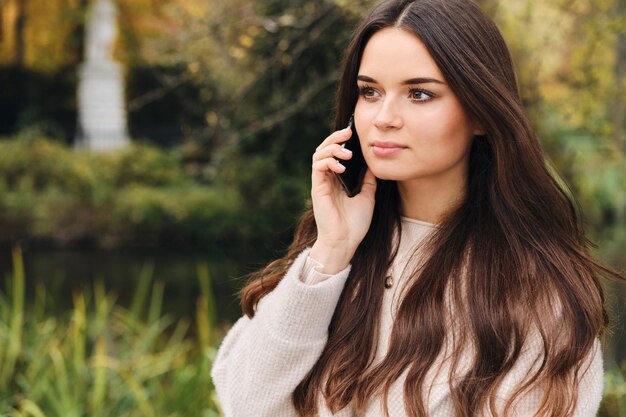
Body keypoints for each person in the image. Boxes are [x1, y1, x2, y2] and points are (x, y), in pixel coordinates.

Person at [211, 0, 620, 416]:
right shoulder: (334, 260)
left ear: (480, 110)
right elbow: (246, 403)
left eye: (419, 94)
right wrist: (331, 251)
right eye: (370, 92)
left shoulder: (533, 294)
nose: (384, 118)